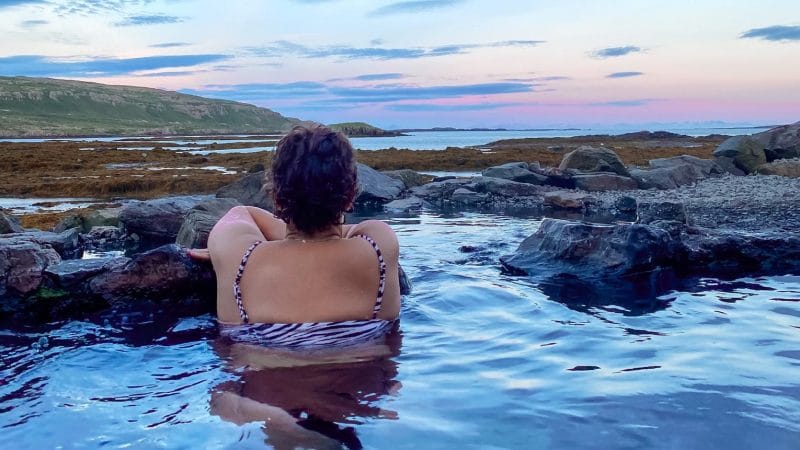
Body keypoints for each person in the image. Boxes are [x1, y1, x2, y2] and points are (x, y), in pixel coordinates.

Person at [188, 124, 401, 347]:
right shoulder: (378, 245)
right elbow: (351, 232)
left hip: (260, 377)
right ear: (349, 196)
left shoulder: (239, 256)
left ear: (276, 197)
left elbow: (241, 213)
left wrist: (224, 253)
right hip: (366, 377)